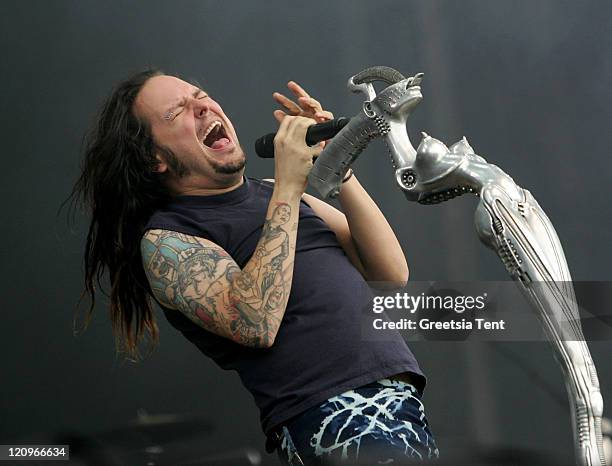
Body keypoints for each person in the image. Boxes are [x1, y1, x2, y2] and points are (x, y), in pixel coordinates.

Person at [72, 68, 439, 464]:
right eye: (178, 111)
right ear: (154, 157)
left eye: (202, 95)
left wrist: (335, 159)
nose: (204, 107)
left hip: (400, 404)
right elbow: (254, 321)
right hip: (329, 416)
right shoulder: (167, 241)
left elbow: (389, 274)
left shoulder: (274, 193)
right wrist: (288, 185)